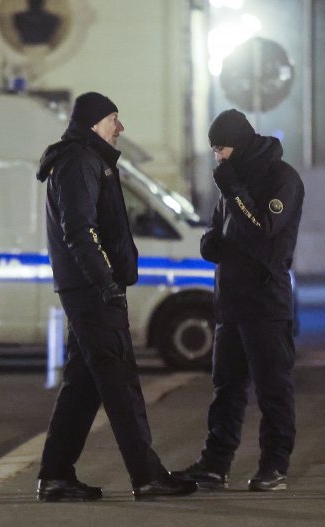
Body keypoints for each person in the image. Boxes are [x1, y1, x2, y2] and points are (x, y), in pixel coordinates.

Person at [35, 92, 197, 501]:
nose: (120, 128)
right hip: (93, 291)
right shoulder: (79, 162)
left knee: (84, 386)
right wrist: (106, 282)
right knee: (121, 384)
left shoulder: (87, 161)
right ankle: (147, 476)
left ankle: (56, 475)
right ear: (94, 123)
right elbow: (81, 229)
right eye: (113, 119)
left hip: (89, 288)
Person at [173, 109, 304, 492]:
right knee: (226, 388)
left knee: (272, 388)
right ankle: (215, 464)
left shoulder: (282, 179)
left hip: (265, 301)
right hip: (231, 300)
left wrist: (233, 192)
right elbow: (218, 229)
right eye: (214, 150)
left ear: (242, 143)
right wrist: (211, 243)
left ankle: (274, 465)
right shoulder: (232, 181)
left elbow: (264, 227)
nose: (218, 158)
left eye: (223, 148)